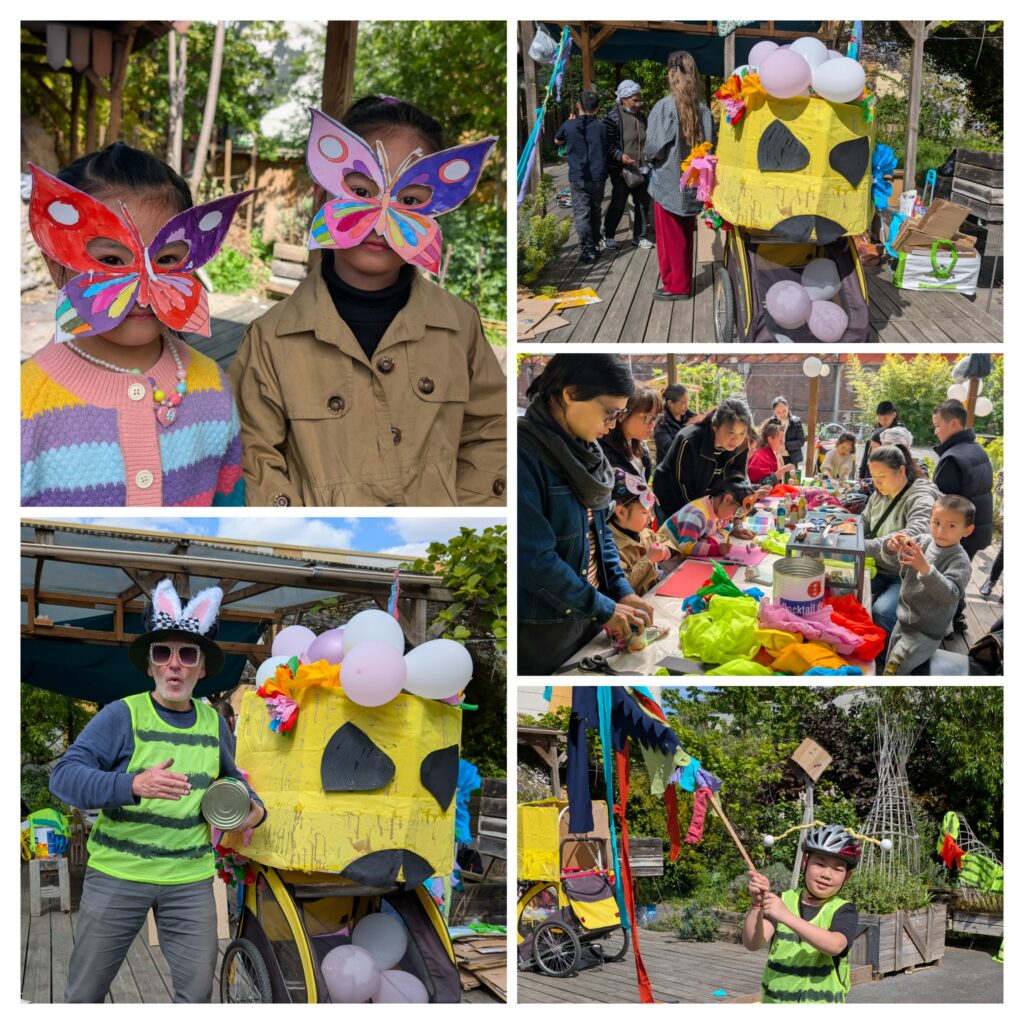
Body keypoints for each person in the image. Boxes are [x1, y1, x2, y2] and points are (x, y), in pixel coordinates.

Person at [229, 97, 506, 507]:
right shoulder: (270, 339)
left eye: (409, 201)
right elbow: (255, 461)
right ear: (324, 190)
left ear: (440, 207)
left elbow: (492, 432)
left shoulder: (459, 327)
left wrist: (459, 525)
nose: (381, 216)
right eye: (361, 191)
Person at [49, 580, 265, 1002]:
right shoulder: (121, 715)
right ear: (150, 665)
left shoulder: (213, 723)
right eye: (163, 653)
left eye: (188, 655)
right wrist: (131, 784)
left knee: (198, 993)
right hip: (118, 875)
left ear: (201, 668)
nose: (175, 665)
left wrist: (253, 809)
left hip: (190, 880)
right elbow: (63, 777)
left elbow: (232, 779)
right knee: (85, 993)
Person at [22, 144, 245, 506]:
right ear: (55, 265)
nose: (143, 293)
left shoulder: (214, 387)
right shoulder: (22, 404)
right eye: (111, 259)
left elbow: (230, 502)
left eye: (166, 260)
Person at [519, 355, 654, 674]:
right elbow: (533, 558)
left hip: (589, 615)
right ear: (570, 393)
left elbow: (601, 532)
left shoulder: (589, 452)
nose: (613, 424)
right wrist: (603, 607)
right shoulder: (522, 453)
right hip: (545, 631)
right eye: (610, 413)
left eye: (620, 414)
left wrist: (622, 591)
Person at [744, 825, 861, 1004]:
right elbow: (753, 943)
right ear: (806, 862)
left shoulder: (844, 910)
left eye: (837, 869)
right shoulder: (784, 900)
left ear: (847, 877)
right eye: (820, 864)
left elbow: (836, 945)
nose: (826, 875)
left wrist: (786, 916)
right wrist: (756, 905)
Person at [644, 50, 714, 301]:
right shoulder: (703, 109)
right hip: (693, 182)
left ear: (672, 73)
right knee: (684, 236)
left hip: (668, 181)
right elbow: (710, 146)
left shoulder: (664, 107)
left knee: (669, 238)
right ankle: (682, 281)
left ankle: (677, 285)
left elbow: (653, 147)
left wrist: (648, 160)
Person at [884, 494, 975, 674]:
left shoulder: (960, 561)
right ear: (929, 521)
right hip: (903, 620)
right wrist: (890, 546)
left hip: (925, 632)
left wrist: (925, 569)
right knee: (891, 657)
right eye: (936, 522)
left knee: (894, 669)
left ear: (967, 530)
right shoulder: (923, 541)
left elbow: (949, 596)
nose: (941, 531)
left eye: (951, 525)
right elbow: (894, 561)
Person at [862, 443, 940, 638]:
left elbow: (918, 530)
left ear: (901, 471)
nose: (876, 483)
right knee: (843, 592)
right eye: (873, 477)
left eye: (882, 477)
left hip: (906, 575)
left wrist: (861, 545)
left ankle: (888, 657)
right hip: (876, 566)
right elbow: (862, 521)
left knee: (882, 612)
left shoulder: (921, 495)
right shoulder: (879, 494)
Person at [932, 399, 993, 630]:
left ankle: (948, 623)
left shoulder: (952, 458)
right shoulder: (976, 449)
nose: (936, 431)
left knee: (947, 580)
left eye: (938, 425)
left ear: (954, 423)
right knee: (960, 575)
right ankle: (958, 617)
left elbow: (942, 504)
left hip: (958, 533)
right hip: (976, 529)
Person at [652, 397, 754, 516]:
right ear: (715, 426)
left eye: (742, 433)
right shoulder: (689, 441)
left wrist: (738, 523)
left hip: (704, 506)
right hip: (672, 500)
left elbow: (738, 484)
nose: (736, 439)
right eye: (731, 432)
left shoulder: (741, 445)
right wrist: (704, 521)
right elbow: (682, 490)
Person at [553, 89, 607, 263]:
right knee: (596, 209)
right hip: (598, 176)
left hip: (578, 176)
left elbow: (557, 141)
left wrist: (569, 124)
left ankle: (587, 249)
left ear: (577, 106)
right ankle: (596, 242)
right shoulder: (601, 127)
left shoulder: (569, 125)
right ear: (597, 108)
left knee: (582, 213)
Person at [601, 80, 653, 250]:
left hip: (641, 167)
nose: (638, 103)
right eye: (634, 100)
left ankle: (640, 237)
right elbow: (607, 143)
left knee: (643, 202)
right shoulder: (612, 117)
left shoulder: (641, 116)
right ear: (623, 98)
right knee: (618, 202)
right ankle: (608, 235)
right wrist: (619, 156)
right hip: (621, 170)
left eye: (639, 100)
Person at [658, 475, 758, 558]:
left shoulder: (721, 511)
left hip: (687, 555)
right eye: (738, 512)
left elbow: (726, 529)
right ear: (727, 499)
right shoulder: (696, 515)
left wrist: (709, 541)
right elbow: (685, 546)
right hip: (669, 556)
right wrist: (715, 549)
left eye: (741, 515)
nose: (734, 518)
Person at [609, 469, 671, 595]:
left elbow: (666, 542)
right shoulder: (610, 545)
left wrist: (666, 550)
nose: (650, 517)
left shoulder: (644, 532)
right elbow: (621, 586)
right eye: (644, 512)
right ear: (620, 512)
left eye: (651, 511)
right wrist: (649, 559)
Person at [599, 384, 662, 480]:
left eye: (655, 418)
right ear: (623, 415)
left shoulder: (640, 447)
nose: (652, 424)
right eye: (648, 417)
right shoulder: (603, 454)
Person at [747, 418, 798, 485]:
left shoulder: (771, 453)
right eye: (780, 440)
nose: (782, 443)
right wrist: (780, 472)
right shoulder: (759, 457)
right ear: (770, 439)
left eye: (783, 440)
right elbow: (758, 485)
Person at [858, 400, 900, 479]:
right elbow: (866, 454)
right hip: (870, 474)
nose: (882, 422)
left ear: (894, 415)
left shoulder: (898, 434)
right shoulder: (875, 431)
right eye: (880, 419)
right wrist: (861, 475)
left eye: (885, 419)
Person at [652, 384, 695, 461]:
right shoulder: (661, 423)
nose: (686, 406)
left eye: (687, 402)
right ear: (670, 403)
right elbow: (670, 449)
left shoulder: (692, 418)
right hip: (669, 471)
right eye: (683, 403)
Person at [770, 396, 807, 473]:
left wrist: (785, 445)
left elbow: (801, 441)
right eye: (778, 412)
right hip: (775, 457)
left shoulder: (795, 422)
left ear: (788, 407)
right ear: (774, 412)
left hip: (792, 457)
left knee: (790, 480)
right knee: (777, 481)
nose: (782, 414)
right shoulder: (772, 422)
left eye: (784, 411)